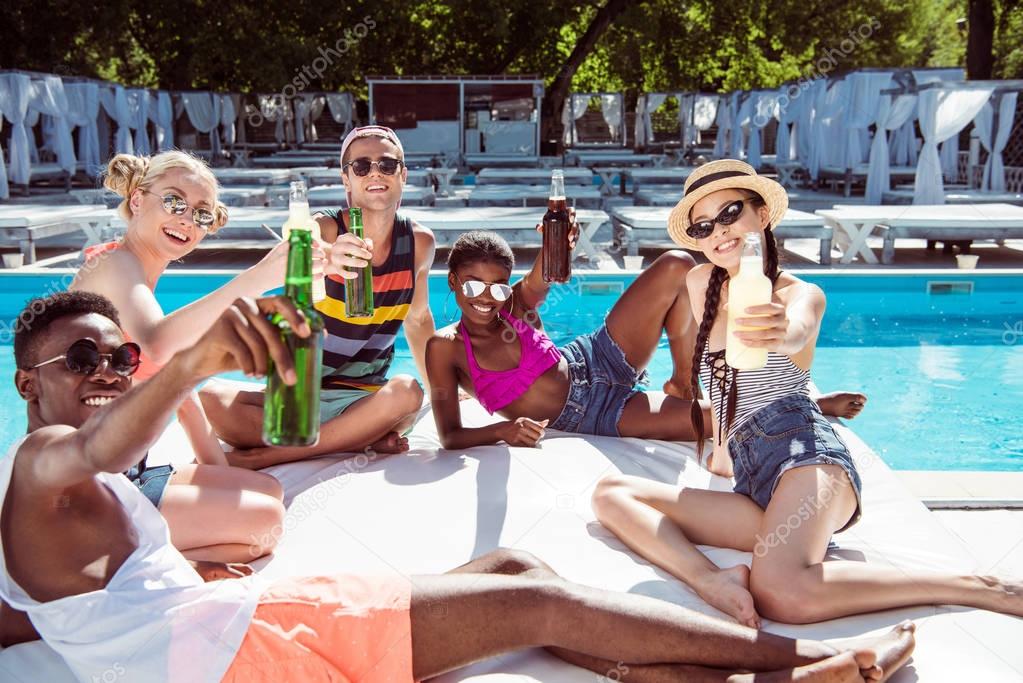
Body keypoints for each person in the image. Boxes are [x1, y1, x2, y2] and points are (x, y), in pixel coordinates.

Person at [0, 291, 917, 683]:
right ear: (26, 382)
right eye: (81, 357)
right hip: (248, 661)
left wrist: (196, 588)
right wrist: (191, 362)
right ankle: (790, 662)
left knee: (514, 565)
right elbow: (100, 445)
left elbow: (68, 604)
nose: (110, 370)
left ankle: (676, 670)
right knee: (542, 600)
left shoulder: (68, 496)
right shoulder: (43, 459)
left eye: (120, 354)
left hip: (246, 630)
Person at [590, 160, 1023, 630]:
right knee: (612, 494)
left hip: (808, 460)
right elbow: (727, 387)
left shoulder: (800, 294)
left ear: (763, 215)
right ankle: (713, 581)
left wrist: (778, 331)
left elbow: (798, 331)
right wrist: (720, 450)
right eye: (703, 225)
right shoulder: (699, 283)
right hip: (753, 481)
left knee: (780, 592)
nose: (719, 231)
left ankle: (970, 585)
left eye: (731, 212)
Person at [426, 230, 862, 450]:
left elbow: (541, 278)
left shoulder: (515, 304)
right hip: (590, 415)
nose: (486, 298)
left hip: (595, 358)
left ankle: (684, 381)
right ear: (451, 282)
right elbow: (449, 435)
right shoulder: (444, 348)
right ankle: (812, 406)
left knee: (676, 265)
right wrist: (502, 430)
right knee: (713, 424)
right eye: (471, 286)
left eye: (497, 285)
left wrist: (554, 239)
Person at [69, 151, 293, 561]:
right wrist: (258, 278)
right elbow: (157, 343)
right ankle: (130, 560)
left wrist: (225, 477)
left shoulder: (139, 287)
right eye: (173, 202)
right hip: (85, 490)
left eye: (201, 214)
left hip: (124, 471)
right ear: (137, 200)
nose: (187, 220)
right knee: (263, 521)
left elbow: (186, 404)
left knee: (269, 494)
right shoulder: (113, 265)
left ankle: (164, 556)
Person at [201, 126, 437, 469]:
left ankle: (274, 455)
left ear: (402, 174)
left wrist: (439, 391)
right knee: (209, 400)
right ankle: (353, 439)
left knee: (408, 393)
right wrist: (328, 255)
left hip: (363, 398)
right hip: (300, 395)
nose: (375, 173)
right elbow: (300, 234)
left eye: (387, 165)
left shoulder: (419, 243)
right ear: (346, 179)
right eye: (361, 166)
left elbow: (418, 320)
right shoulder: (328, 228)